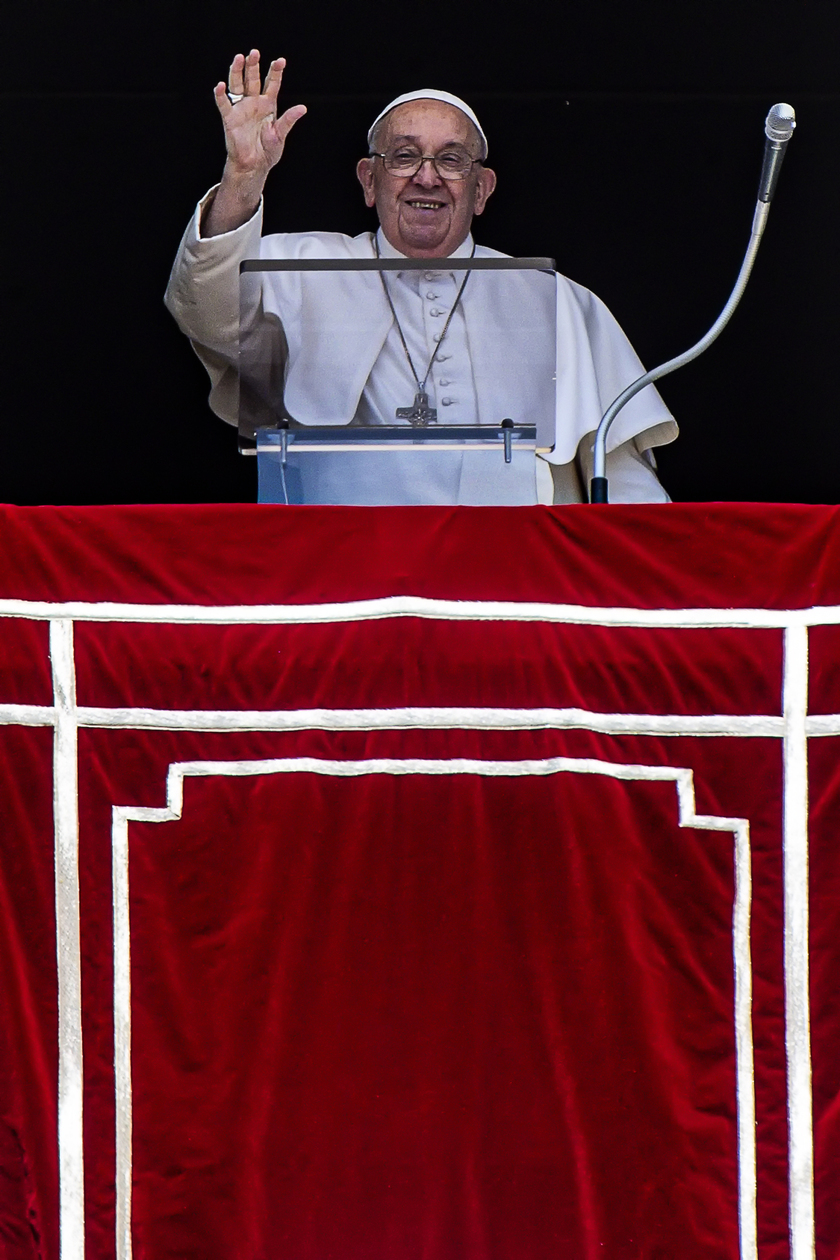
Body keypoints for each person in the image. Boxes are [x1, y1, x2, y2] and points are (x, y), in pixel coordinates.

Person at [165, 50, 677, 504]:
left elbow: (624, 478)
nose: (427, 176)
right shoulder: (299, 268)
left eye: (452, 160)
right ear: (370, 180)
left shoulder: (560, 301)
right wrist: (243, 177)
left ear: (482, 190)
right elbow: (208, 314)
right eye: (404, 156)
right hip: (344, 569)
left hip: (514, 574)